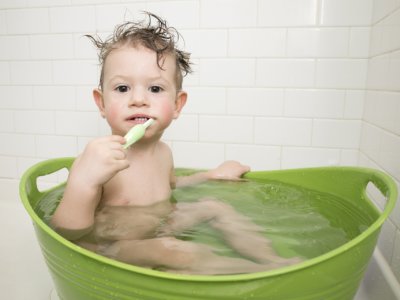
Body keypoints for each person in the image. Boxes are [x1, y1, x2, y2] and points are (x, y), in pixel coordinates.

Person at [50, 12, 300, 275]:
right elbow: (65, 231)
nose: (138, 99)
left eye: (155, 89)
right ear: (101, 103)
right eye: (122, 88)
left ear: (177, 104)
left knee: (215, 206)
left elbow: (171, 186)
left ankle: (272, 261)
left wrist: (210, 175)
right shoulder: (98, 161)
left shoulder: (163, 153)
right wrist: (83, 181)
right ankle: (265, 277)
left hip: (162, 223)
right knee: (175, 250)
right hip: (114, 245)